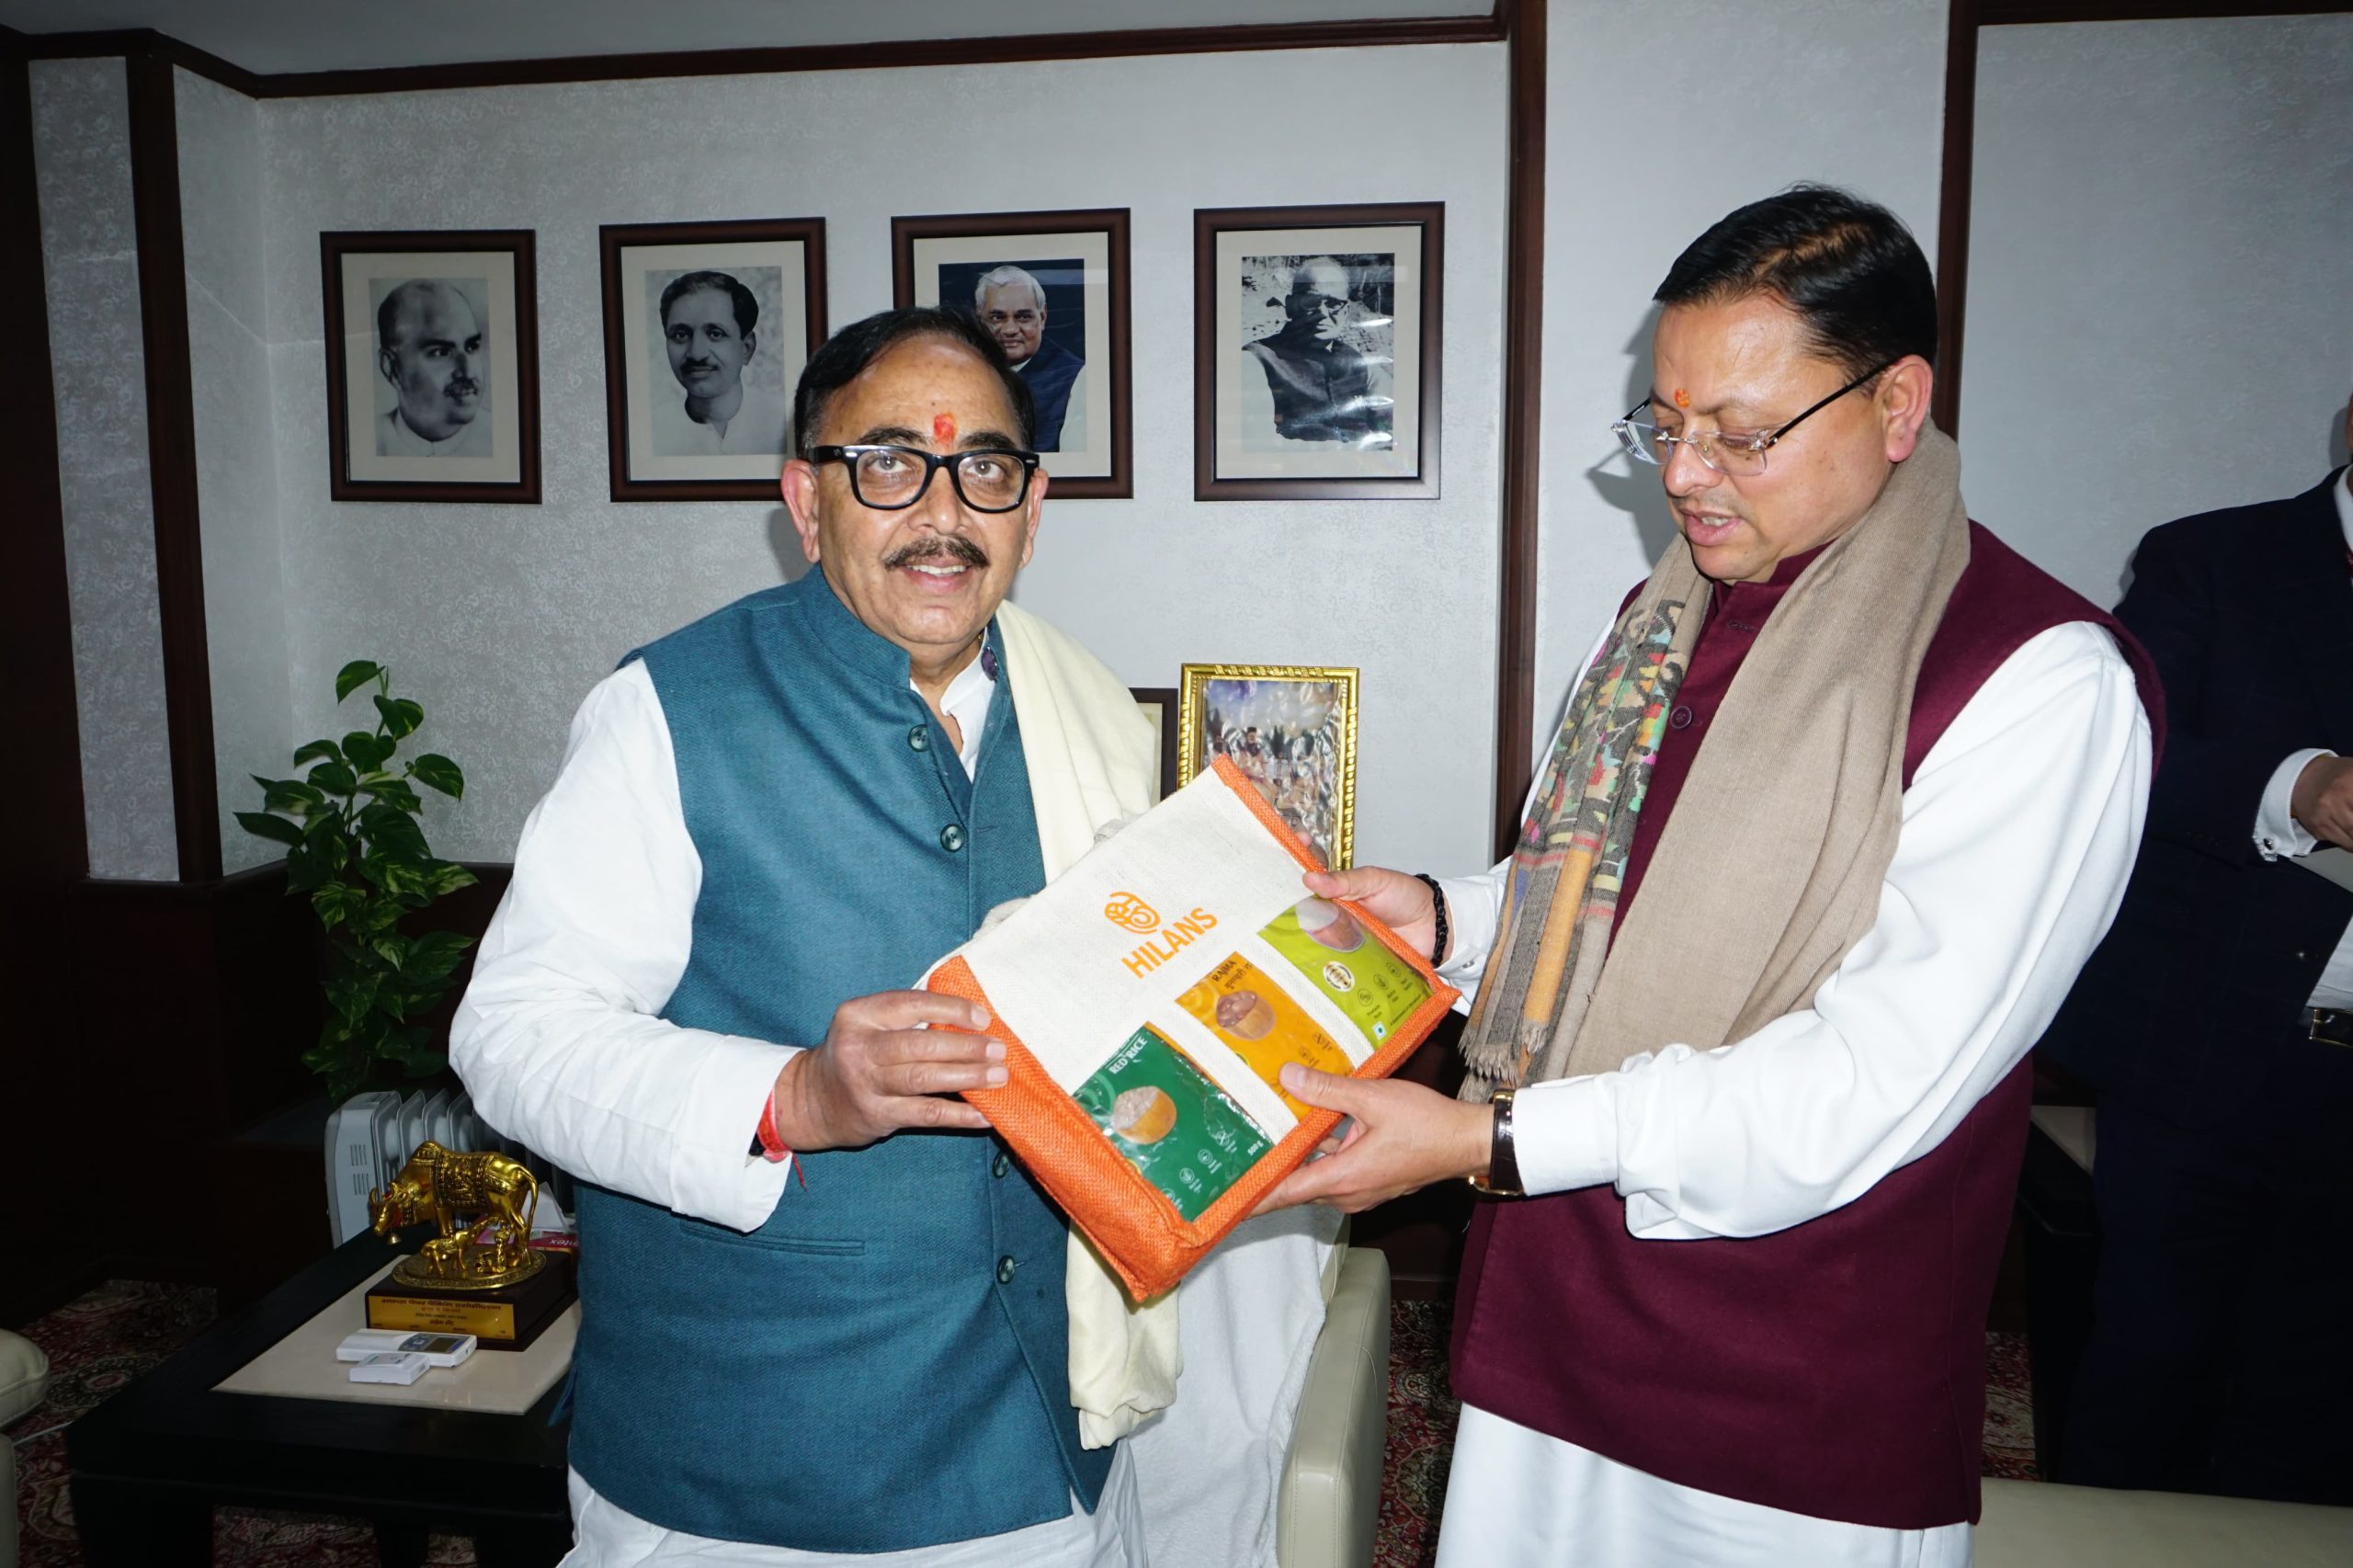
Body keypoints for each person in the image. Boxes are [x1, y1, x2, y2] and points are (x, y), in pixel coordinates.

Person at [1259, 186, 2160, 1566]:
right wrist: (1445, 917)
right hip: (1549, 1308)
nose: (1683, 475)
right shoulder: (1660, 617)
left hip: (1786, 1378)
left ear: (1897, 403)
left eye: (1740, 434)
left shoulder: (2036, 677)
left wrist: (1489, 1142)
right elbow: (1594, 899)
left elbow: (1872, 1081)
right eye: (1665, 425)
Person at [2036, 403, 2353, 1506]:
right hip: (2210, 1047)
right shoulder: (2211, 557)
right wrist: (2296, 787)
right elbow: (2125, 749)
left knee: (2317, 1403)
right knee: (2150, 1373)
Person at [1237, 256, 1390, 448]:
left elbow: (1392, 431)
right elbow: (1257, 442)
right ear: (1291, 306)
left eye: (1333, 304)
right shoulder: (1256, 361)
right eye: (1311, 301)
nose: (1322, 313)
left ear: (1345, 311)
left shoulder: (1364, 367)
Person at [652, 268, 789, 458]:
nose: (697, 354)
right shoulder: (654, 431)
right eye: (681, 335)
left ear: (746, 348)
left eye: (715, 334)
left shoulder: (783, 424)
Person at [975, 264, 1086, 453]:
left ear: (1042, 318)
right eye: (997, 318)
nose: (1010, 330)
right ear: (979, 318)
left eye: (1023, 317)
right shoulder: (962, 372)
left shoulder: (1077, 378)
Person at [375, 278, 491, 457]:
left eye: (471, 347)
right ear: (392, 368)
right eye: (441, 352)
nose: (467, 372)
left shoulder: (502, 442)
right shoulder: (366, 444)